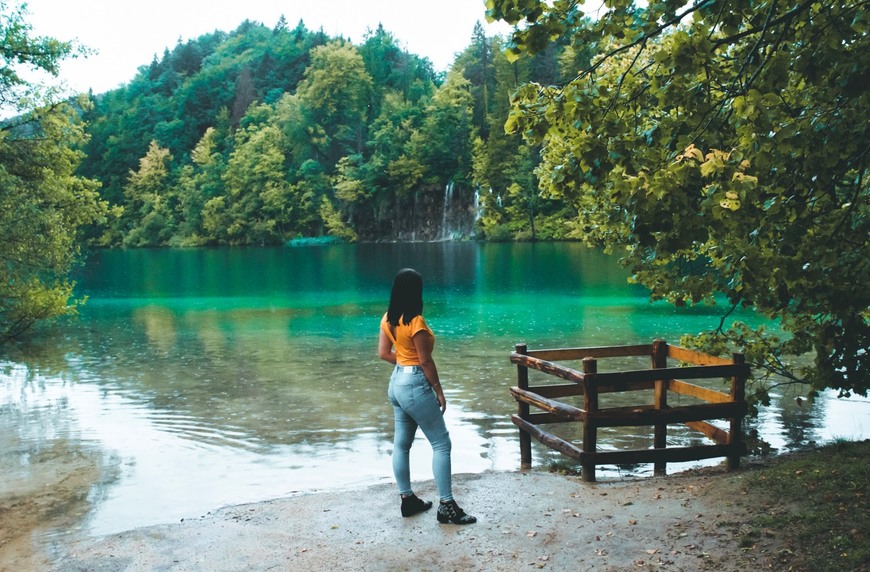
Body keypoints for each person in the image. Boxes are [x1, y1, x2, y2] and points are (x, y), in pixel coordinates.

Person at [377, 268, 476, 525]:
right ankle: (447, 506)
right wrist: (439, 391)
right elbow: (425, 360)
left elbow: (383, 353)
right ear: (415, 292)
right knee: (442, 443)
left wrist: (403, 365)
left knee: (401, 444)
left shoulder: (388, 319)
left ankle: (408, 499)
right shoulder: (416, 322)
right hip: (415, 384)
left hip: (397, 382)